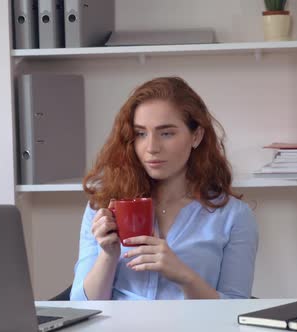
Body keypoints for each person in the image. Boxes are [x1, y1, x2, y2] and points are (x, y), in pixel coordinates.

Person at [69, 77, 258, 300]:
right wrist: (107, 256)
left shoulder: (234, 216)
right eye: (141, 133)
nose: (151, 148)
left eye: (166, 133)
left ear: (196, 136)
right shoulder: (102, 207)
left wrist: (184, 276)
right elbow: (82, 306)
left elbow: (237, 311)